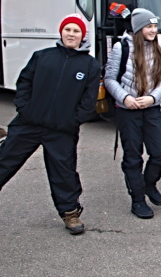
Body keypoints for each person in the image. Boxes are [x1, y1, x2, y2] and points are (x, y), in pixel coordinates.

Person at [0, 15, 100, 234]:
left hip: (62, 130)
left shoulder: (90, 65)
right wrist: (25, 108)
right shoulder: (42, 56)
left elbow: (89, 99)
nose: (71, 34)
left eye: (76, 31)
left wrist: (73, 120)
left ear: (83, 36)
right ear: (61, 32)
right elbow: (24, 83)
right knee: (5, 160)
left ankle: (70, 213)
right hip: (29, 123)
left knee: (64, 173)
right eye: (68, 30)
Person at [105, 8, 161, 219]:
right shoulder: (121, 48)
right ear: (138, 28)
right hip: (128, 111)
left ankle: (148, 183)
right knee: (133, 157)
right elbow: (110, 79)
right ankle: (138, 200)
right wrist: (125, 98)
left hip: (151, 108)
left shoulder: (160, 47)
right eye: (148, 26)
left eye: (155, 26)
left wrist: (153, 98)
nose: (153, 30)